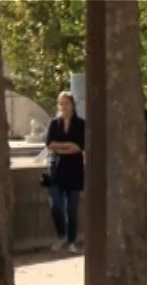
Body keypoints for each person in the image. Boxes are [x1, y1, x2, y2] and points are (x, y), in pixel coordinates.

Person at [45, 91, 86, 254]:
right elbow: (50, 144)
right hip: (56, 170)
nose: (63, 107)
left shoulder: (81, 124)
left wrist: (61, 147)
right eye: (60, 104)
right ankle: (61, 235)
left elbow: (79, 146)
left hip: (74, 170)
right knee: (56, 205)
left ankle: (71, 241)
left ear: (72, 105)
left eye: (66, 103)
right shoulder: (54, 123)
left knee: (72, 208)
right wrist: (67, 146)